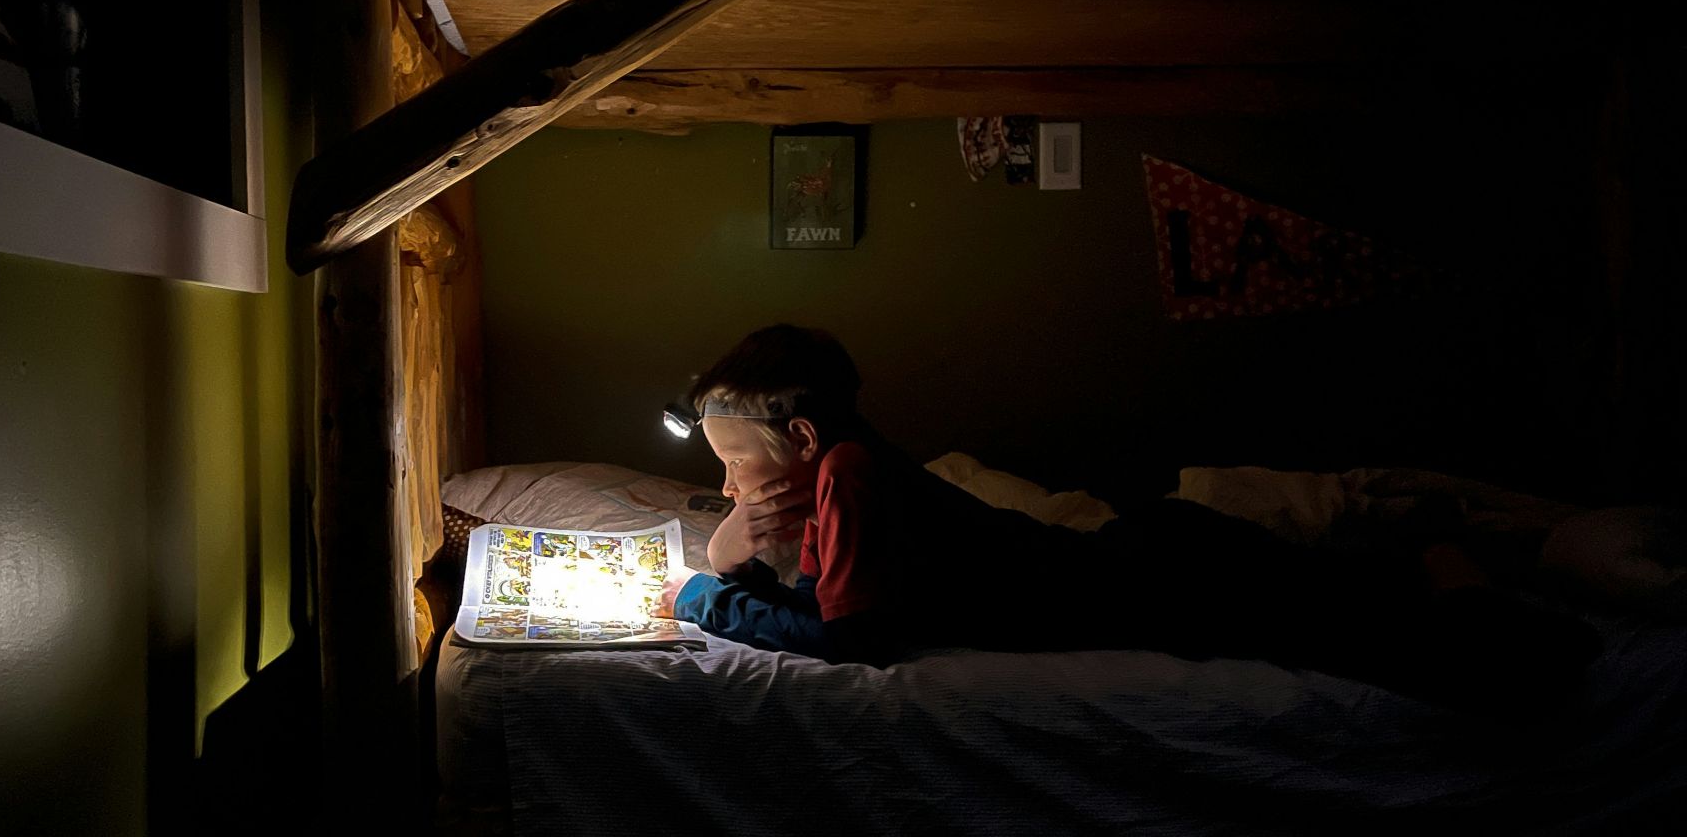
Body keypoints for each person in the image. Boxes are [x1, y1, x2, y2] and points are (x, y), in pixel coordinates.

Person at [660, 324, 1600, 717]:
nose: (734, 479)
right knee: (1342, 600)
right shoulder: (847, 463)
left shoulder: (853, 474)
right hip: (1129, 559)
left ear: (806, 435)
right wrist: (731, 548)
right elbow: (826, 590)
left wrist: (711, 597)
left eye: (739, 460)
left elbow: (854, 635)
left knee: (1419, 647)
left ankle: (1464, 566)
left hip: (1143, 583)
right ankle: (1430, 561)